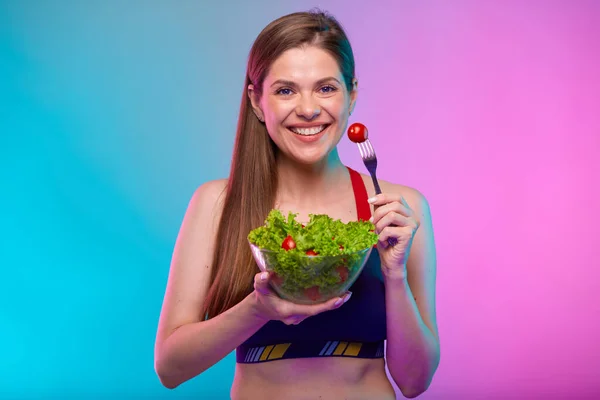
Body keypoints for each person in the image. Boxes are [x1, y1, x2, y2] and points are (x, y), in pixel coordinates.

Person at [154, 9, 439, 399]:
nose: (308, 109)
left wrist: (394, 275)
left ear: (351, 94)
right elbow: (170, 368)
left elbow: (414, 381)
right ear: (256, 101)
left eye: (326, 88)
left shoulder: (400, 209)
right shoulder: (218, 204)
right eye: (286, 90)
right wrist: (258, 308)